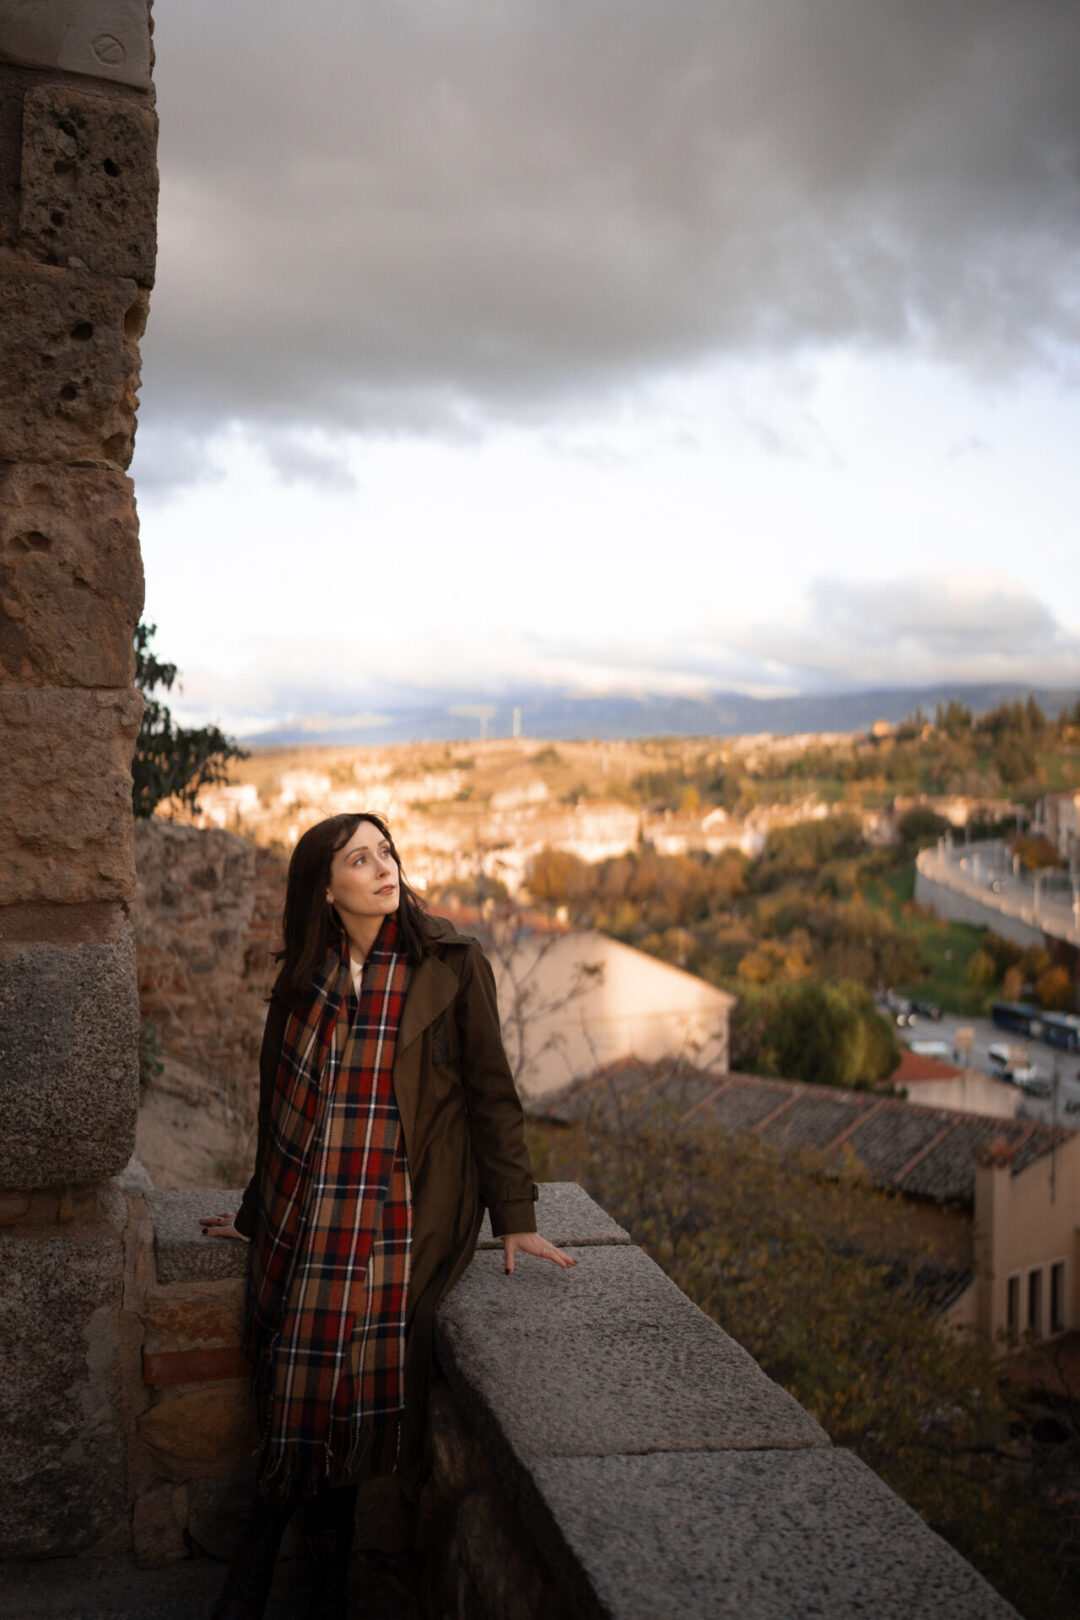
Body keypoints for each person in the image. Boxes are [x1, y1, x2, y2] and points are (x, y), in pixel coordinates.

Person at [201, 811, 573, 1619]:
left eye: (387, 852)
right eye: (359, 859)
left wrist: (514, 1214)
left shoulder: (451, 964)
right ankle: (318, 1583)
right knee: (305, 1376)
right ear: (325, 890)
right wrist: (255, 1213)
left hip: (404, 1218)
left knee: (324, 1385)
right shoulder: (304, 982)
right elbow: (278, 1114)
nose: (383, 868)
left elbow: (492, 1093)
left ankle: (260, 1573)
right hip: (306, 1216)